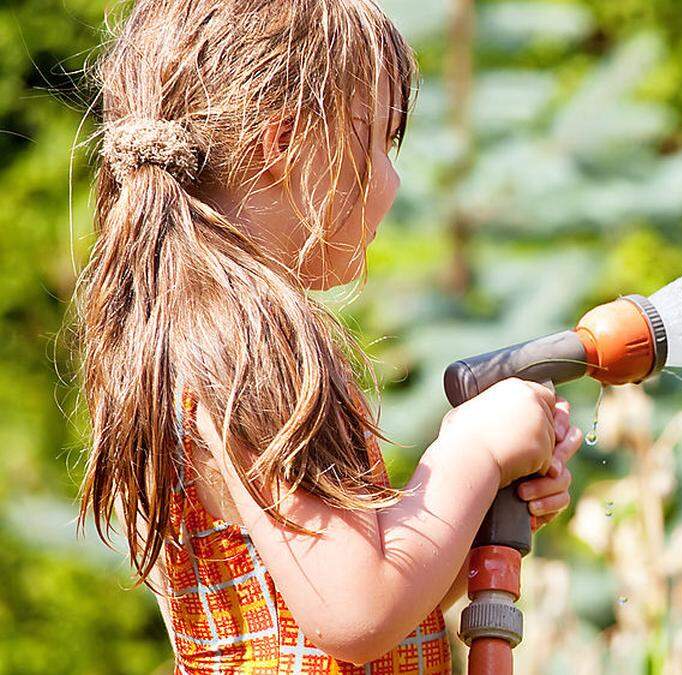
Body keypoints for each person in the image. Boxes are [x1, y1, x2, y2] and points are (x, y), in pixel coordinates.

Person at [74, 1, 582, 672]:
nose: (395, 182)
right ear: (281, 146)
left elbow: (343, 595)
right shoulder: (257, 340)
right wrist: (474, 451)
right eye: (380, 143)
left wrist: (472, 514)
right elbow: (355, 612)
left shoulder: (192, 330)